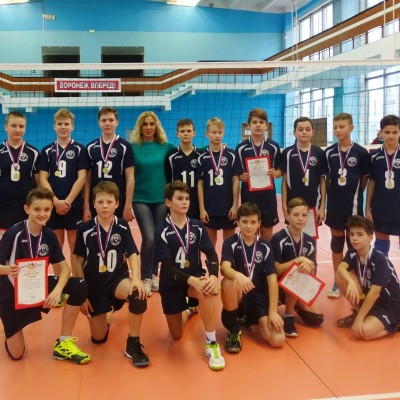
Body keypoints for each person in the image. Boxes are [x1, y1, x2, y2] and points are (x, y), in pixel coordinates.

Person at [0, 188, 90, 364]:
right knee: (17, 354)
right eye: (37, 209)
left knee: (79, 285)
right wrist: (7, 270)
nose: (42, 214)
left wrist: (57, 291)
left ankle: (63, 342)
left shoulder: (49, 235)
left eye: (47, 209)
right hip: (13, 294)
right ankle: (13, 333)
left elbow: (65, 270)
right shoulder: (14, 233)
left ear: (51, 210)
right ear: (27, 209)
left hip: (38, 288)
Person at [74, 181, 149, 367]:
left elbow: (132, 253)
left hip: (117, 279)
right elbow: (77, 262)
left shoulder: (122, 226)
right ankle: (112, 307)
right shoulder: (84, 229)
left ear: (117, 204)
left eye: (109, 202)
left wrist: (136, 279)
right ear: (93, 204)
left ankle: (133, 344)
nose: (105, 206)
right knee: (98, 339)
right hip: (94, 285)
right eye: (100, 202)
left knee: (137, 294)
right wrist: (82, 293)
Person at [154, 180, 225, 371]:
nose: (185, 202)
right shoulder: (162, 231)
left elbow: (211, 254)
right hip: (171, 283)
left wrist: (213, 276)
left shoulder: (197, 226)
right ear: (168, 202)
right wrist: (191, 280)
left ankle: (211, 343)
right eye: (179, 198)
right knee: (176, 335)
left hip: (194, 278)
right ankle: (188, 310)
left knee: (206, 290)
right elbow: (168, 267)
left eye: (187, 198)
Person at [220, 202, 285, 353]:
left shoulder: (265, 246)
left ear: (259, 223)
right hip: (240, 294)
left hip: (258, 298)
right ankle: (233, 329)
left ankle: (253, 319)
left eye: (253, 222)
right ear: (238, 222)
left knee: (278, 339)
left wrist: (273, 312)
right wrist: (238, 275)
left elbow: (272, 280)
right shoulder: (230, 242)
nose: (249, 226)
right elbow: (224, 268)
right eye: (245, 222)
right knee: (228, 282)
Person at [324, 113, 369, 298]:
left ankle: (354, 279)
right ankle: (338, 281)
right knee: (336, 243)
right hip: (335, 206)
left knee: (354, 244)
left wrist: (355, 194)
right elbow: (327, 180)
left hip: (354, 207)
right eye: (335, 127)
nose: (338, 130)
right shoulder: (329, 153)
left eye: (342, 127)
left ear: (351, 127)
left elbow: (364, 179)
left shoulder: (361, 153)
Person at [131, 111, 175, 297]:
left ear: (156, 126)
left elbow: (186, 154)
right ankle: (145, 277)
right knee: (149, 237)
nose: (148, 127)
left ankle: (155, 275)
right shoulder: (132, 148)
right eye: (145, 124)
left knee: (158, 238)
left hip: (161, 200)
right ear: (140, 127)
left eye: (151, 124)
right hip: (140, 198)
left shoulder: (167, 147)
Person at [335, 215, 400, 340]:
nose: (354, 238)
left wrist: (359, 320)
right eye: (352, 234)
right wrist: (351, 282)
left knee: (364, 332)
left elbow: (375, 293)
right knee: (340, 277)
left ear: (370, 237)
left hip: (389, 303)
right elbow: (340, 268)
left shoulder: (380, 260)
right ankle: (360, 312)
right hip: (370, 298)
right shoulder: (353, 252)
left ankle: (395, 323)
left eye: (360, 235)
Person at [39, 108, 89, 268]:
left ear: (72, 126)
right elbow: (42, 178)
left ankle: (77, 280)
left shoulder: (80, 150)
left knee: (75, 245)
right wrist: (55, 201)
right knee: (56, 244)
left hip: (73, 205)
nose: (63, 127)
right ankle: (58, 280)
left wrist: (67, 202)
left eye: (66, 124)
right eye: (59, 124)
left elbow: (82, 178)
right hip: (53, 205)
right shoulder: (46, 151)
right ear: (54, 126)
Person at [271, 197, 324, 337]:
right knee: (296, 271)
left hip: (296, 285)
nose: (300, 219)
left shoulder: (310, 241)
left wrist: (308, 267)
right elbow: (275, 269)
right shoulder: (278, 238)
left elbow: (313, 268)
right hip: (276, 285)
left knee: (316, 318)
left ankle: (293, 303)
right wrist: (299, 260)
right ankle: (288, 316)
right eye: (296, 215)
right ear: (287, 215)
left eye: (304, 215)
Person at [236, 108, 282, 241]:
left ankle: (266, 254)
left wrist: (276, 173)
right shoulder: (241, 148)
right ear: (249, 125)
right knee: (250, 233)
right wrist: (240, 176)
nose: (258, 125)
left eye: (261, 122)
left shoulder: (273, 146)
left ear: (266, 125)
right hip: (249, 196)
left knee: (267, 234)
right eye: (254, 122)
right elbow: (236, 173)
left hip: (268, 196)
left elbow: (280, 170)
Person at [84, 106, 134, 222]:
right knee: (96, 231)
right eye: (104, 120)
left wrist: (128, 205)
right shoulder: (90, 147)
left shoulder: (125, 146)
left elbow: (130, 178)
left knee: (116, 231)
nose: (107, 123)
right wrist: (86, 206)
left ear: (117, 122)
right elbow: (87, 180)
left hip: (117, 199)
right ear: (99, 123)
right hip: (97, 199)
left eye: (111, 120)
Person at [197, 117, 240, 247]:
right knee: (210, 244)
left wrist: (235, 205)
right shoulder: (202, 157)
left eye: (219, 132)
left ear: (223, 133)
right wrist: (202, 209)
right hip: (210, 207)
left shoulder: (231, 155)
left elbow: (236, 181)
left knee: (230, 244)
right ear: (207, 134)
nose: (217, 135)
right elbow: (200, 185)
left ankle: (228, 262)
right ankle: (212, 262)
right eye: (213, 132)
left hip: (228, 206)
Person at [0, 111, 40, 239]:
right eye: (13, 126)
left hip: (26, 207)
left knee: (25, 243)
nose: (17, 130)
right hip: (3, 207)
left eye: (21, 126)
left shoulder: (33, 152)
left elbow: (38, 183)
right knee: (4, 245)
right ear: (5, 127)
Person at [365, 115, 400, 257]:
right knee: (381, 245)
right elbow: (371, 183)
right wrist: (367, 208)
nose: (391, 135)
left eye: (395, 132)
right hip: (380, 207)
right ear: (381, 133)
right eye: (387, 132)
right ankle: (382, 271)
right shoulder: (374, 156)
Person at [281, 117, 326, 224]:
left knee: (310, 234)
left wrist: (322, 207)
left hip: (313, 203)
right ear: (294, 132)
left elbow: (322, 181)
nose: (304, 132)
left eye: (307, 129)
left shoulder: (319, 153)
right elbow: (284, 181)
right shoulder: (287, 153)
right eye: (300, 129)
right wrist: (284, 206)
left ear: (312, 132)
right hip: (292, 204)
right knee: (293, 233)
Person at [165, 118, 204, 220]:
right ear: (177, 134)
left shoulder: (201, 155)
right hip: (178, 201)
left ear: (194, 133)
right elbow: (168, 180)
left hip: (196, 201)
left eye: (188, 131)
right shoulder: (171, 156)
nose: (186, 134)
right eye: (182, 131)